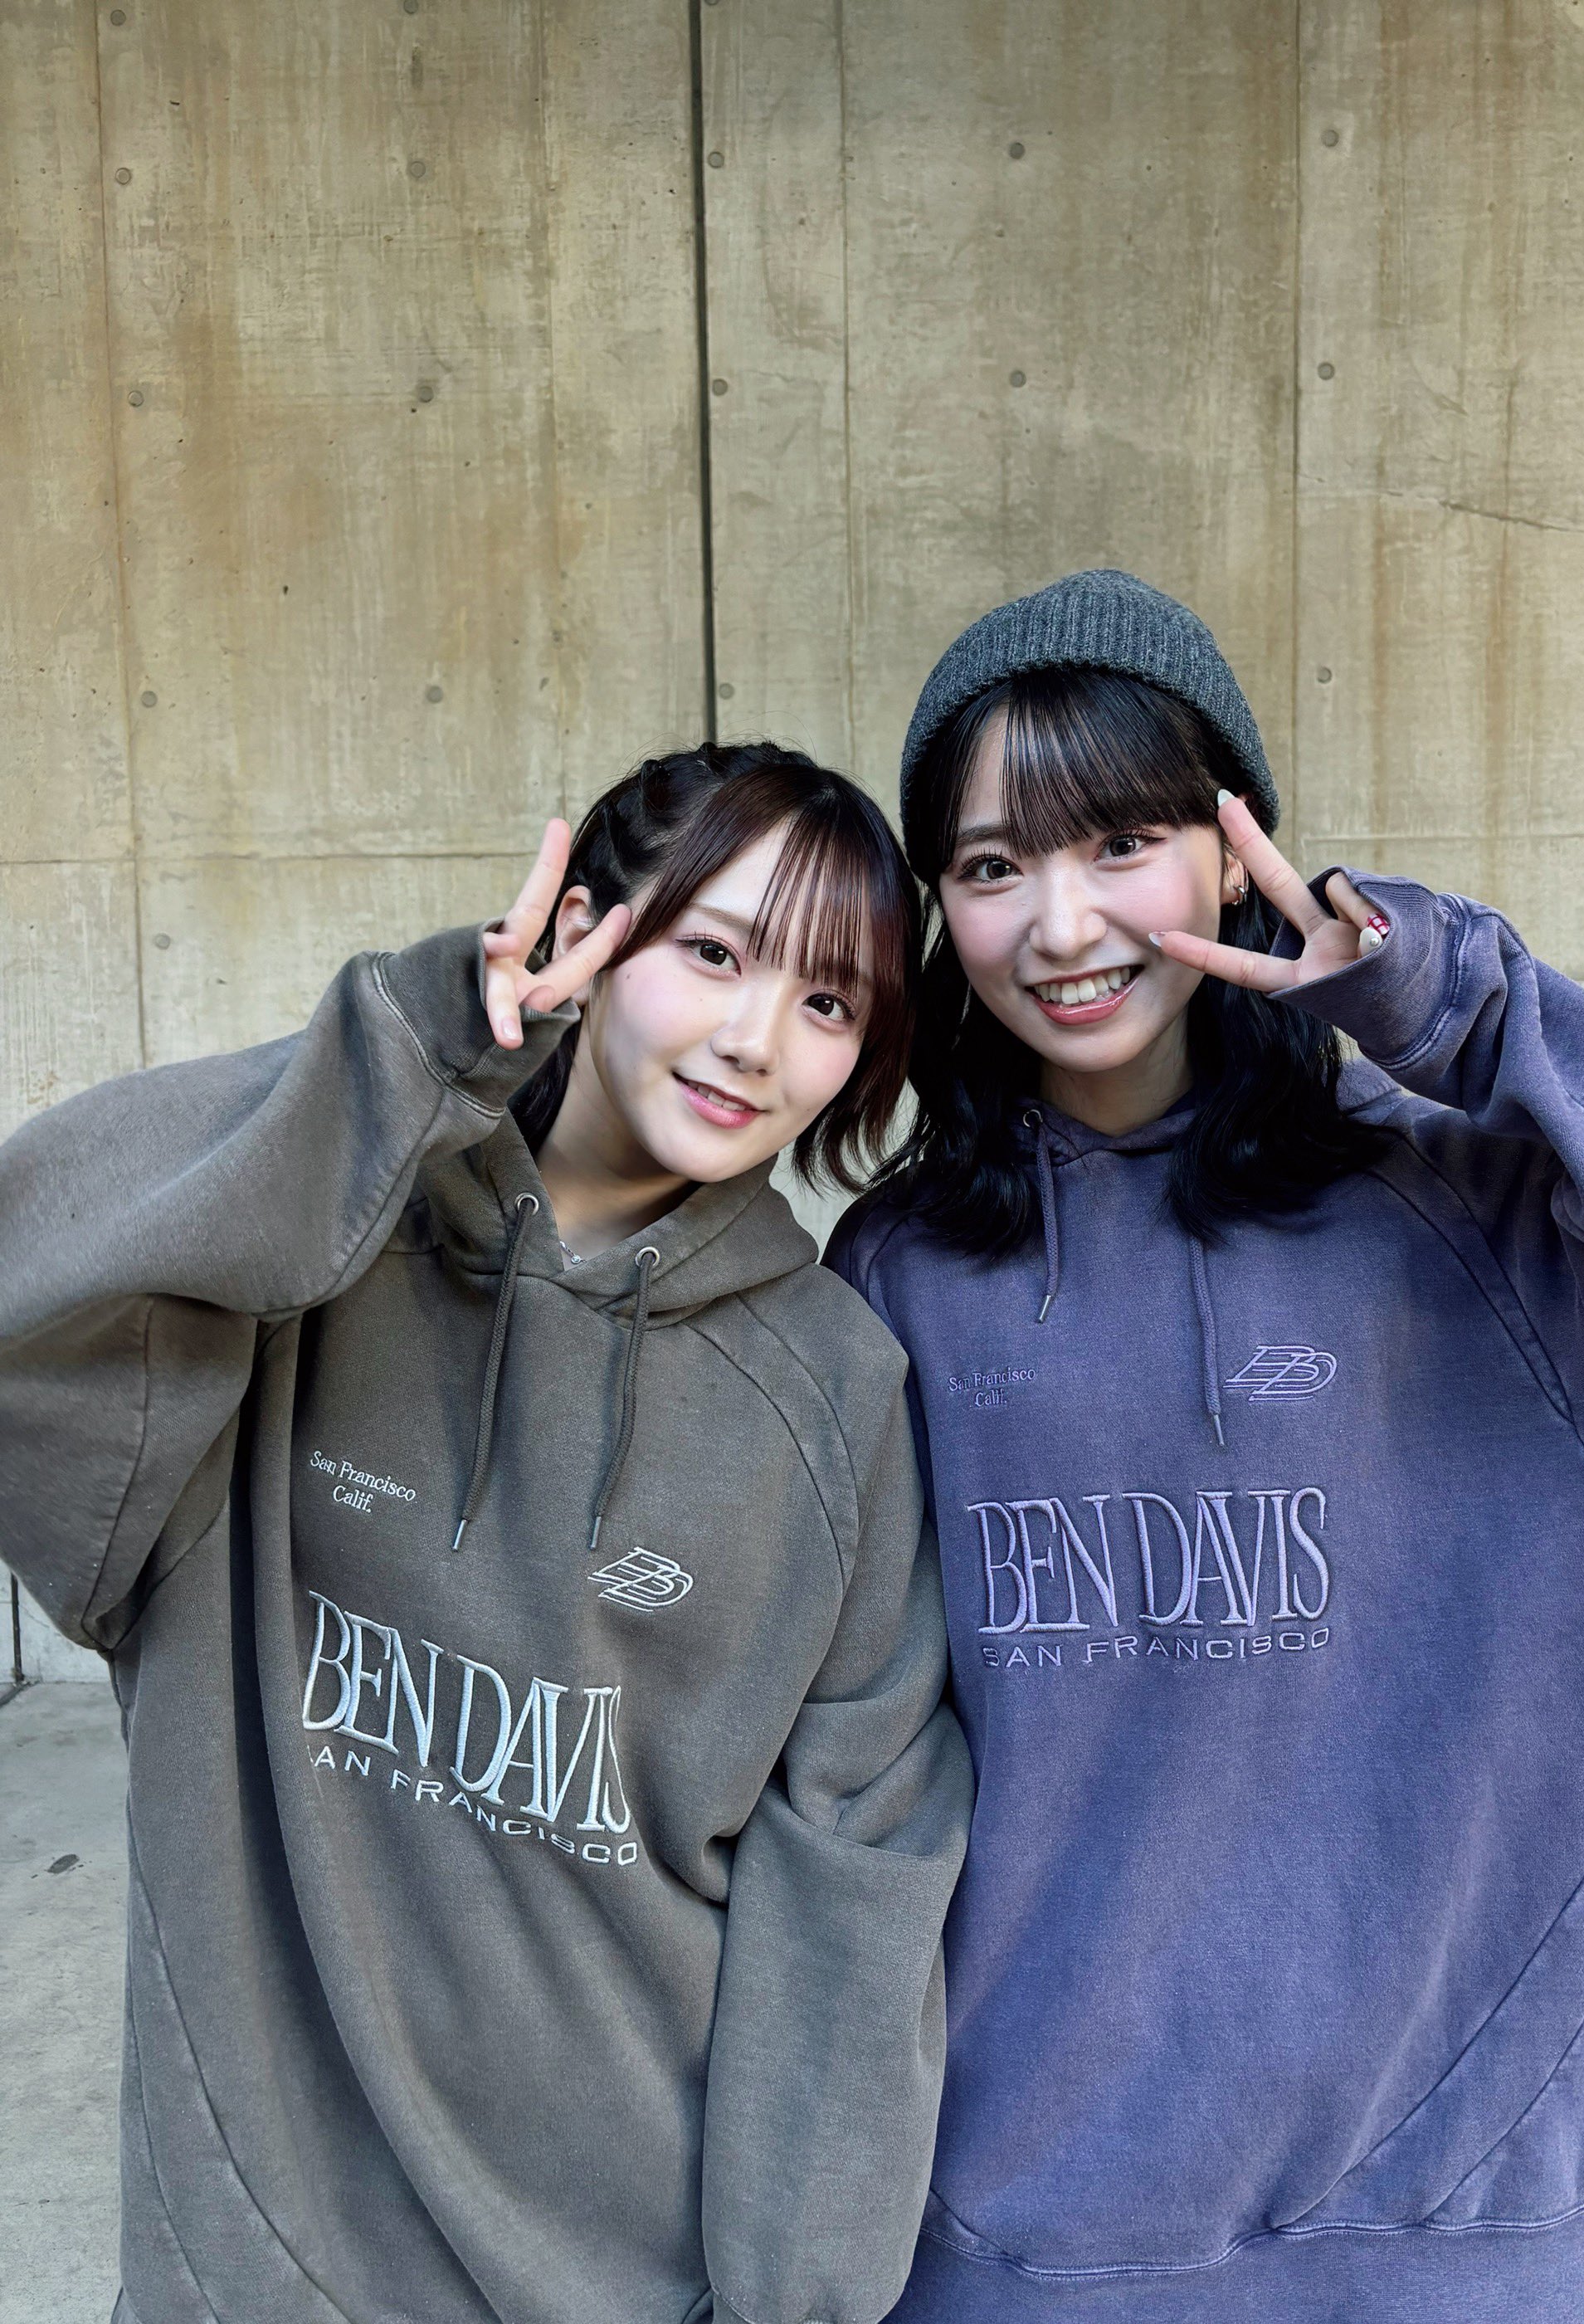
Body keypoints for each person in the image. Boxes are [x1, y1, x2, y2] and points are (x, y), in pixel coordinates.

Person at [827, 569, 1584, 2324]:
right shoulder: (905, 1270)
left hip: (1441, 2251)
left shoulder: (1487, 1206)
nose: (1061, 924)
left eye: (1124, 842)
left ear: (1237, 844)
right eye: (992, 865)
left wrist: (1466, 1012)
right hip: (1011, 2247)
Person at [0, 742, 972, 2324]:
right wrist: (403, 1055)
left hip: (631, 2274)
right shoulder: (297, 1276)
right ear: (585, 934)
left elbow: (857, 1869)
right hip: (253, 2271)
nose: (755, 1040)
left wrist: (794, 2297)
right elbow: (29, 1289)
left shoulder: (838, 1396)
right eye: (713, 954)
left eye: (827, 1002)